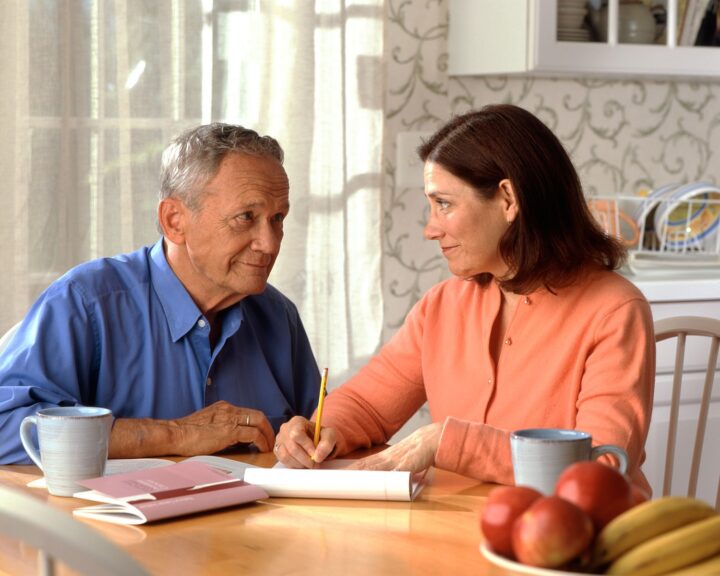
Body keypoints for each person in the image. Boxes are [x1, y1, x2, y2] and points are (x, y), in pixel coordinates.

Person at [274, 104, 656, 492]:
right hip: (462, 526)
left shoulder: (615, 310)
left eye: (444, 203)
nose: (429, 229)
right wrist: (317, 431)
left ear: (508, 199)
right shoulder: (442, 305)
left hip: (575, 537)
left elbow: (602, 465)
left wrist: (448, 441)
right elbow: (369, 405)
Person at [0, 123, 320, 464]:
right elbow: (6, 428)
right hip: (108, 519)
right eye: (246, 217)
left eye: (277, 218)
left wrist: (317, 435)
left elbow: (321, 429)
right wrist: (175, 434)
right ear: (174, 221)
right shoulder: (84, 303)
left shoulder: (278, 315)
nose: (269, 244)